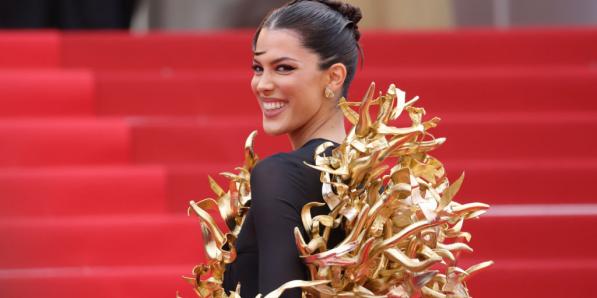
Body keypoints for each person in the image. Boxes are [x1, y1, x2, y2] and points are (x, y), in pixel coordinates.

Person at [222, 0, 363, 297]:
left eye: (284, 68)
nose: (262, 84)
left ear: (334, 77)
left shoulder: (281, 175)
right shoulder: (366, 177)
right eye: (258, 67)